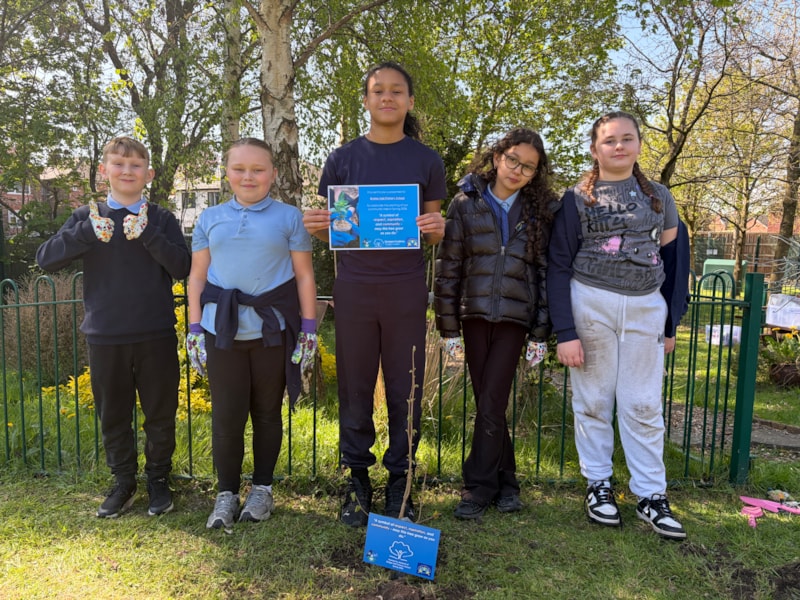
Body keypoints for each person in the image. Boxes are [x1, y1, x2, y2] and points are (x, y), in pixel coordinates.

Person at [302, 61, 447, 526]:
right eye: (378, 91)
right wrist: (318, 226)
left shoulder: (426, 160)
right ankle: (356, 478)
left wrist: (437, 229)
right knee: (355, 383)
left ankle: (401, 480)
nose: (387, 97)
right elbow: (336, 228)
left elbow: (432, 231)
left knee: (407, 384)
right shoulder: (342, 159)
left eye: (397, 91)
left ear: (409, 100)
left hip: (405, 287)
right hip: (355, 287)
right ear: (365, 100)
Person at [547, 111, 690, 540]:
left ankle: (651, 495)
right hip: (591, 301)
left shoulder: (660, 197)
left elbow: (674, 260)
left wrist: (670, 322)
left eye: (628, 139)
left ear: (640, 146)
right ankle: (599, 487)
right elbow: (557, 264)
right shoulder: (576, 199)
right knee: (592, 400)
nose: (619, 147)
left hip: (646, 306)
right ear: (595, 149)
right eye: (609, 141)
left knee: (643, 404)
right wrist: (565, 331)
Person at [36, 136, 191, 518]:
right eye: (118, 164)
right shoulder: (86, 218)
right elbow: (45, 260)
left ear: (148, 174)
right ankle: (124, 482)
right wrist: (87, 233)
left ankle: (158, 480)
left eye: (136, 165)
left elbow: (183, 268)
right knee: (113, 415)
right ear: (103, 171)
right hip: (104, 336)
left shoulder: (162, 219)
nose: (127, 171)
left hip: (155, 333)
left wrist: (148, 235)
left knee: (160, 412)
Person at [186, 138, 317, 530]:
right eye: (239, 169)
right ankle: (226, 494)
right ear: (226, 174)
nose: (249, 177)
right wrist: (194, 329)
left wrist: (309, 329)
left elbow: (305, 275)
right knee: (226, 417)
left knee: (266, 413)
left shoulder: (289, 217)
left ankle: (262, 489)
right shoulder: (209, 219)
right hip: (220, 330)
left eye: (258, 169)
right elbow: (196, 275)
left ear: (273, 174)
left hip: (271, 332)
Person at [434, 128, 558, 519]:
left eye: (529, 167)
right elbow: (449, 268)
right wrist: (448, 326)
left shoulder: (540, 212)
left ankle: (477, 486)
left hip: (514, 319)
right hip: (472, 315)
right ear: (497, 157)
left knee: (492, 400)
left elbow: (545, 273)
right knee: (490, 401)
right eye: (513, 160)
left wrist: (541, 331)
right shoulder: (464, 203)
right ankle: (508, 484)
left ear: (537, 174)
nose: (518, 170)